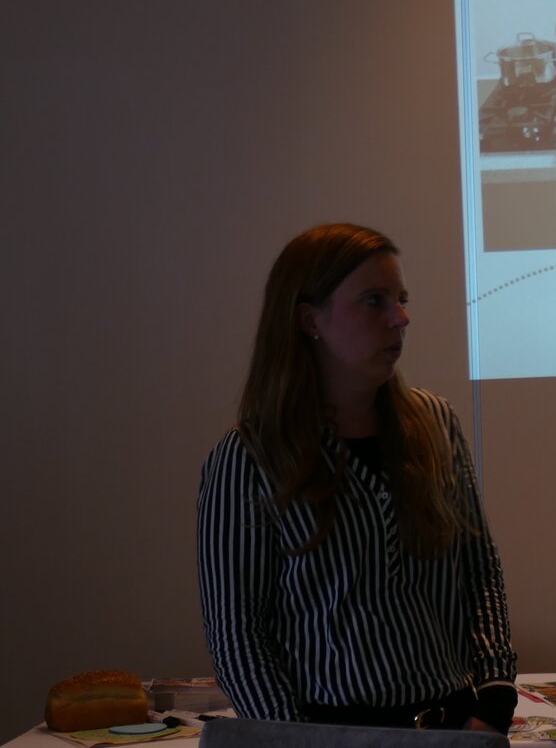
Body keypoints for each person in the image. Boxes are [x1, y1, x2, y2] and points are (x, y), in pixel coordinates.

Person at [197, 223, 517, 736]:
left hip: (452, 725)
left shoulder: (435, 424)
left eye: (401, 300)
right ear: (310, 320)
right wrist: (297, 742)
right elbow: (238, 633)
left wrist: (494, 698)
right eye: (374, 301)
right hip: (331, 730)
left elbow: (479, 572)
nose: (400, 318)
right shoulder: (249, 459)